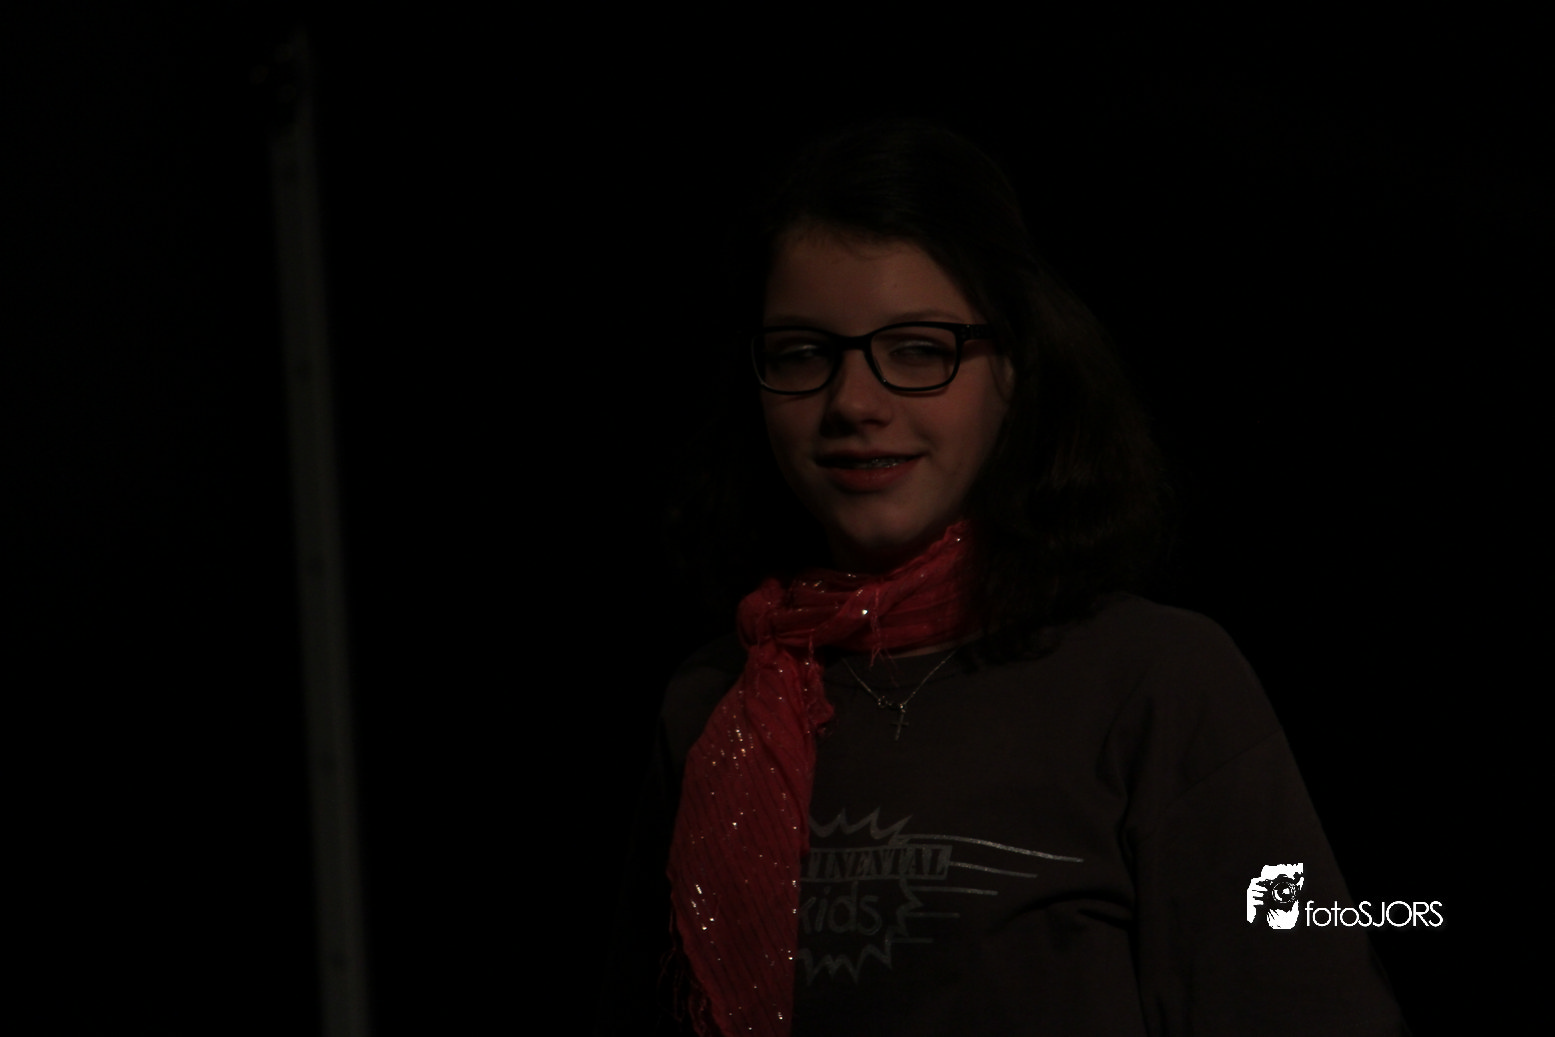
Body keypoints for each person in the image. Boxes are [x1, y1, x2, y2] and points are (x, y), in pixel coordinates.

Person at [599, 120, 1407, 1036]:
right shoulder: (709, 702)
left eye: (917, 348)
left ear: (1014, 367)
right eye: (801, 353)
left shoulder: (1153, 681)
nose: (853, 402)